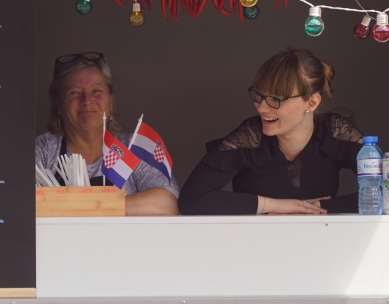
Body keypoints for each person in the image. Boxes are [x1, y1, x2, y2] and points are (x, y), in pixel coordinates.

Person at [178, 48, 364, 215]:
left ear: (311, 102)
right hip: (255, 243)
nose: (261, 108)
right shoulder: (250, 137)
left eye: (276, 99)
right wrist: (273, 205)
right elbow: (191, 200)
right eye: (258, 96)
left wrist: (318, 209)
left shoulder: (335, 132)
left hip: (323, 241)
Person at [36, 52, 180, 215]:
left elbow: (166, 204)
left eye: (96, 91)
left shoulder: (133, 147)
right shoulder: (42, 150)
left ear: (111, 102)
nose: (87, 100)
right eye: (74, 92)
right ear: (58, 104)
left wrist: (83, 206)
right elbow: (22, 205)